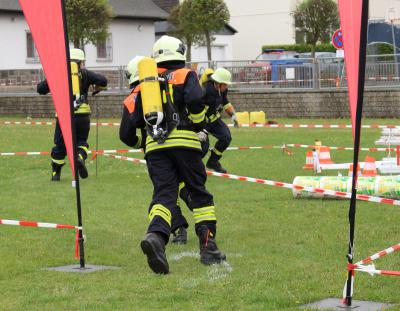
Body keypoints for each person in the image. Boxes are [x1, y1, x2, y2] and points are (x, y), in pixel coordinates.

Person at [131, 35, 226, 274]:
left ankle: (155, 236)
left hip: (155, 147)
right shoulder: (186, 74)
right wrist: (198, 124)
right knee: (198, 193)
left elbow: (135, 118)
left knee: (164, 196)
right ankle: (208, 247)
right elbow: (195, 100)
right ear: (180, 52)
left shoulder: (147, 80)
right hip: (185, 144)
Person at [37, 48, 107, 181]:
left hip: (64, 116)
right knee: (81, 142)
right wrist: (97, 88)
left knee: (60, 145)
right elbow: (103, 80)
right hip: (83, 115)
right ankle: (79, 157)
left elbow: (40, 89)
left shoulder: (59, 73)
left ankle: (55, 173)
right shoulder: (86, 74)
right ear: (80, 62)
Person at [203, 67, 239, 174]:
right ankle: (192, 168)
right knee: (203, 148)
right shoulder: (205, 92)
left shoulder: (223, 90)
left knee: (226, 137)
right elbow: (197, 111)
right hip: (202, 123)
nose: (227, 86)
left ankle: (212, 162)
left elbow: (225, 103)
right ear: (218, 83)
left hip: (215, 120)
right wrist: (201, 129)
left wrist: (233, 115)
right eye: (225, 84)